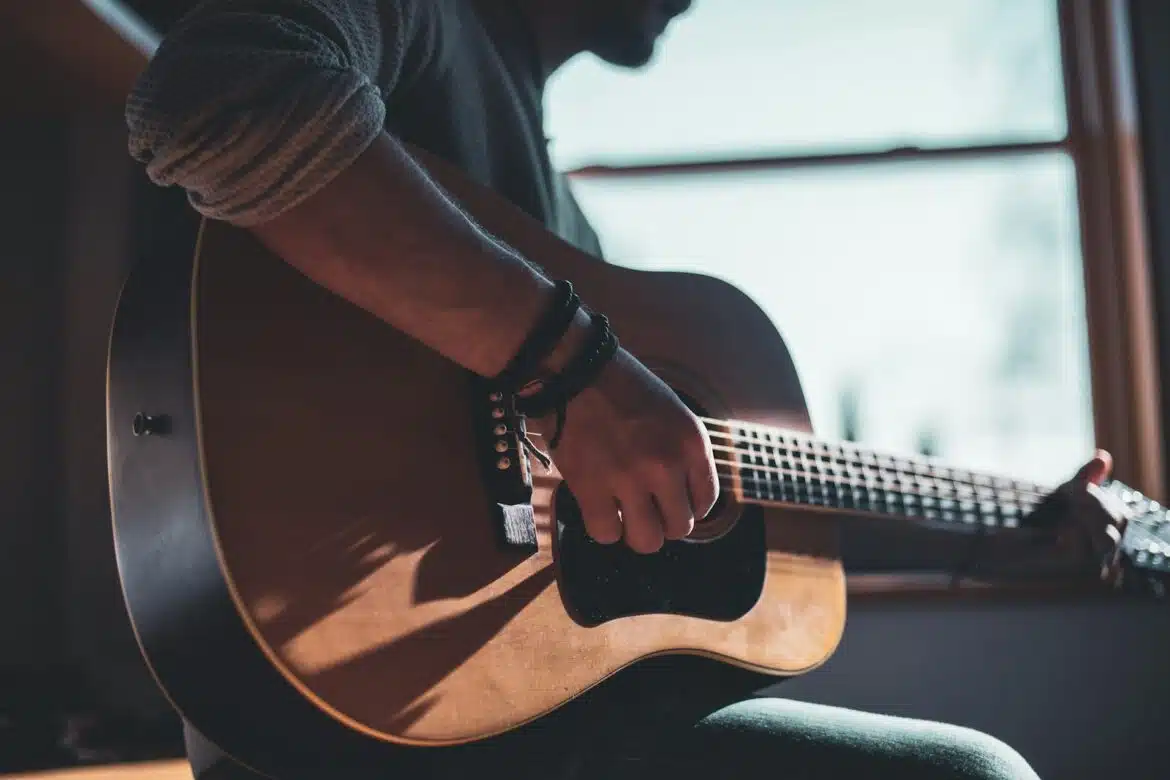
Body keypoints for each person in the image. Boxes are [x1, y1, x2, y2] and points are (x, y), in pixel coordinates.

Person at [124, 1, 1120, 778]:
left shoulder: (563, 226)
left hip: (523, 711)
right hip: (352, 725)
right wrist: (569, 370)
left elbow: (737, 499)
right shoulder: (423, 17)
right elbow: (218, 89)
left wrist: (1017, 521)